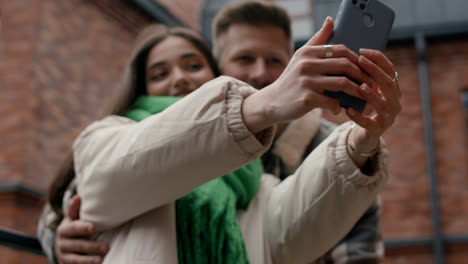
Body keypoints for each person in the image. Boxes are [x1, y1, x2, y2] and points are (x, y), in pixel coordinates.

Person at [39, 3, 401, 264]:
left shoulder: (268, 176)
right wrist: (57, 236)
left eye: (275, 61)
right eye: (244, 60)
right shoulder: (109, 135)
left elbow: (296, 230)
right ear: (223, 69)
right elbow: (109, 175)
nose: (179, 79)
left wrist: (361, 141)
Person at [211, 1, 390, 263]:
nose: (260, 73)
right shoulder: (204, 145)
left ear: (292, 63)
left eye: (274, 60)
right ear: (217, 67)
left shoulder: (342, 153)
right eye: (244, 59)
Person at [38, 24, 220, 264]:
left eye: (194, 66)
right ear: (140, 89)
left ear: (217, 74)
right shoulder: (115, 138)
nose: (180, 79)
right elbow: (58, 212)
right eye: (159, 75)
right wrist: (56, 241)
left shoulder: (250, 158)